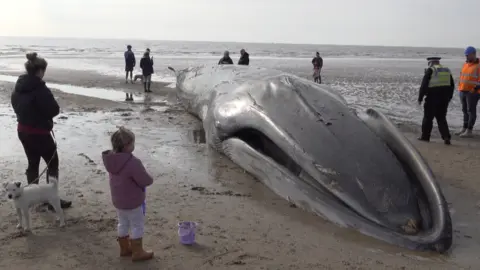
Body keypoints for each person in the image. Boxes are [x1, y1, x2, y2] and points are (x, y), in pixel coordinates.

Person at [10, 52, 72, 209]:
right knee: (52, 163)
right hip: (39, 133)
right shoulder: (39, 88)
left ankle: (30, 198)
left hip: (23, 131)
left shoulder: (18, 87)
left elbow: (16, 105)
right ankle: (51, 199)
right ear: (40, 71)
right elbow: (54, 109)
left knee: (33, 163)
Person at [102, 127, 154, 262]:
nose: (134, 145)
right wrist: (150, 179)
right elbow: (144, 180)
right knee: (137, 225)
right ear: (126, 146)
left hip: (118, 201)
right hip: (133, 202)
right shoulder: (132, 162)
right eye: (132, 143)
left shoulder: (111, 160)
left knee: (122, 224)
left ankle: (124, 249)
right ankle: (138, 252)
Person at [417, 57, 455, 145]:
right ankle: (446, 137)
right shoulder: (446, 70)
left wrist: (420, 98)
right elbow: (452, 85)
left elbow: (423, 86)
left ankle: (425, 137)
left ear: (431, 62)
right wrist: (449, 97)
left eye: (428, 63)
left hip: (432, 99)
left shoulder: (431, 70)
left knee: (428, 118)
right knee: (441, 118)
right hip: (444, 99)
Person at [456, 46, 480, 138]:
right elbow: (462, 76)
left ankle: (469, 130)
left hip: (473, 92)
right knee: (464, 110)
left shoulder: (478, 65)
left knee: (471, 111)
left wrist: (474, 89)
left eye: (468, 55)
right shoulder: (465, 64)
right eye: (465, 55)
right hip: (462, 90)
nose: (466, 57)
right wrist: (460, 87)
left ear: (473, 54)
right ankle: (464, 128)